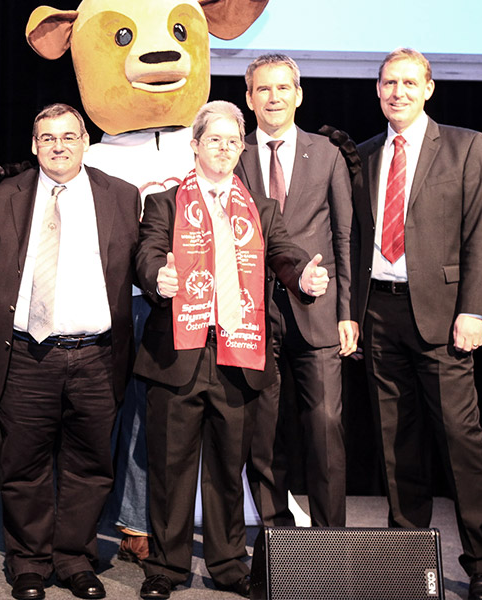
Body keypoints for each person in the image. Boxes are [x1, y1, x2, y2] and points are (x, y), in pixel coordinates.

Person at [134, 101, 329, 600]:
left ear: (240, 149)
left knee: (227, 468)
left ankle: (227, 565)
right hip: (179, 352)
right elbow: (149, 250)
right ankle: (166, 567)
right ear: (194, 144)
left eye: (231, 141)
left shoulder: (260, 208)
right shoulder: (165, 203)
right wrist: (159, 274)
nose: (223, 148)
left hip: (239, 357)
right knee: (171, 468)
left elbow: (284, 254)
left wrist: (302, 273)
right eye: (213, 139)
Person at [351, 48, 482, 600]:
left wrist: (474, 309)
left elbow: (480, 232)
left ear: (429, 88)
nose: (398, 91)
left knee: (462, 441)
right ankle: (410, 559)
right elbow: (352, 240)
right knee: (396, 442)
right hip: (379, 313)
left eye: (409, 82)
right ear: (377, 90)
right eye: (389, 82)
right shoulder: (365, 155)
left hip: (444, 317)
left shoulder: (466, 145)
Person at [0, 103, 140, 600]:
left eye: (69, 136)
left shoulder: (121, 196)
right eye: (47, 137)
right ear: (33, 145)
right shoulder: (3, 195)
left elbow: (142, 262)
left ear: (85, 142)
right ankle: (28, 562)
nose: (58, 145)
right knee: (24, 465)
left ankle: (74, 558)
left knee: (89, 466)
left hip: (96, 355)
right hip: (28, 354)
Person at [236, 53, 353, 528]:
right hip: (253, 315)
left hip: (319, 312)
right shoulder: (233, 152)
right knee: (263, 436)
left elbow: (344, 237)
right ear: (249, 98)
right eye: (263, 89)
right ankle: (276, 541)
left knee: (325, 431)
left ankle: (332, 543)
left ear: (299, 94)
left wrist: (347, 311)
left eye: (283, 88)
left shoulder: (326, 153)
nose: (274, 97)